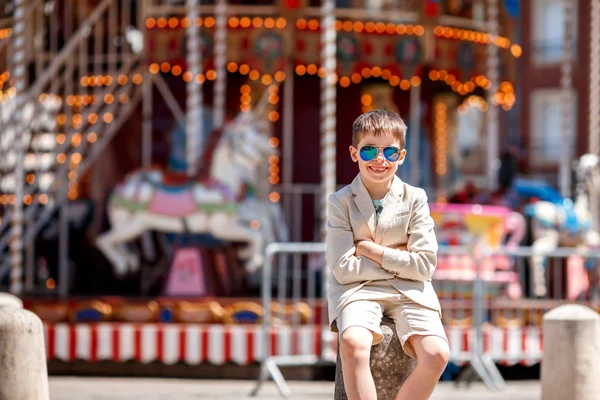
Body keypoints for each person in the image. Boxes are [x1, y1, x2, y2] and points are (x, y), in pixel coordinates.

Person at [326, 110, 449, 400]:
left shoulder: (416, 198)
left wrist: (371, 250)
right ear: (354, 153)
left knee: (437, 353)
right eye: (369, 149)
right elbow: (343, 268)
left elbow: (424, 265)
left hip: (411, 292)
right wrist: (398, 258)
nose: (379, 159)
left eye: (389, 151)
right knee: (353, 341)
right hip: (358, 291)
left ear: (401, 156)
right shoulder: (340, 201)